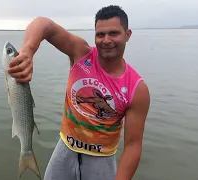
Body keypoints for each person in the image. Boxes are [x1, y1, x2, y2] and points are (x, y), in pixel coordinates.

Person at [8, 5, 150, 180]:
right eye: (100, 34)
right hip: (65, 148)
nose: (106, 40)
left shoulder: (137, 89)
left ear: (127, 35)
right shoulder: (81, 53)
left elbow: (132, 146)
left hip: (102, 159)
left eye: (114, 33)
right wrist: (27, 51)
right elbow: (44, 24)